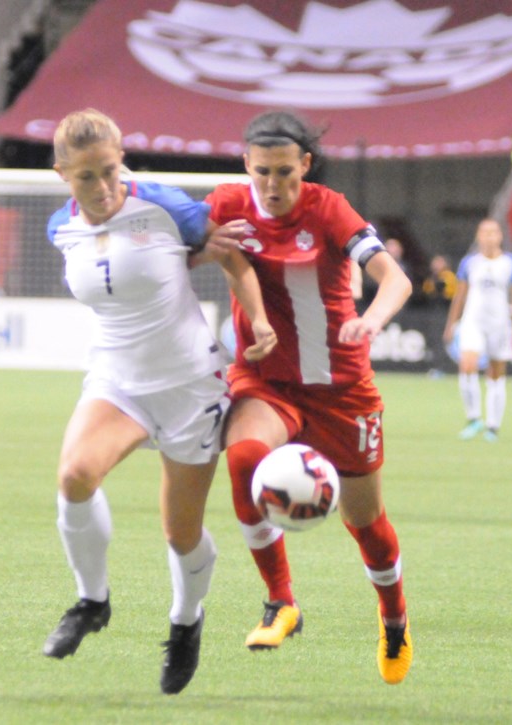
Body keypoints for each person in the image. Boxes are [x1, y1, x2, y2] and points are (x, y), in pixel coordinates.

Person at [40, 109, 276, 695]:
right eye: (86, 178)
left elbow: (226, 252)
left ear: (123, 158)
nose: (102, 189)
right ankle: (92, 601)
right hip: (116, 380)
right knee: (74, 474)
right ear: (61, 175)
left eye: (110, 171)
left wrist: (263, 322)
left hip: (190, 386)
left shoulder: (168, 205)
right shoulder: (58, 228)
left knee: (180, 532)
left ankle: (185, 622)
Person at [204, 110, 414, 685]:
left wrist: (370, 321)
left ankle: (393, 616)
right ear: (246, 164)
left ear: (306, 166)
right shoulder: (224, 204)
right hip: (266, 381)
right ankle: (281, 602)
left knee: (365, 521)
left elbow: (395, 279)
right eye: (263, 172)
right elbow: (185, 248)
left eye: (285, 174)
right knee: (244, 457)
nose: (273, 187)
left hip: (341, 390)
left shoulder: (328, 208)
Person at [441, 218, 512, 442]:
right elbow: (460, 295)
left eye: (493, 232)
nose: (489, 237)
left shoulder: (511, 263)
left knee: (496, 373)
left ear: (500, 236)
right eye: (484, 232)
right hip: (473, 322)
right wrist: (451, 323)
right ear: (478, 236)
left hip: (499, 324)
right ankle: (473, 418)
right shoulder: (470, 263)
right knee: (467, 364)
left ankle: (493, 426)